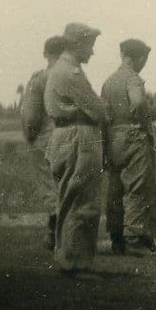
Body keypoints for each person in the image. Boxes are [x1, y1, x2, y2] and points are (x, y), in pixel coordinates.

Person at [43, 23, 109, 278]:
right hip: (78, 137)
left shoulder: (62, 69)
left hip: (68, 136)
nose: (92, 52)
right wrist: (102, 111)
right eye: (90, 46)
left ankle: (73, 260)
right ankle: (74, 263)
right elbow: (98, 110)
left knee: (71, 198)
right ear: (78, 45)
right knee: (82, 200)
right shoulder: (70, 73)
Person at [102, 38, 156, 255]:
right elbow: (139, 103)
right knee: (139, 188)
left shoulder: (108, 82)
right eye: (144, 59)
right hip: (134, 137)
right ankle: (135, 240)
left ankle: (117, 239)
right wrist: (154, 113)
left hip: (113, 139)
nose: (144, 63)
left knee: (115, 190)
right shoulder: (133, 79)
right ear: (138, 58)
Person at [19, 35, 68, 250]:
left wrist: (31, 138)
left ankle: (55, 233)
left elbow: (30, 118)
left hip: (46, 141)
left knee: (50, 189)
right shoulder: (71, 76)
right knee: (66, 188)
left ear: (46, 54)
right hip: (71, 139)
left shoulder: (39, 79)